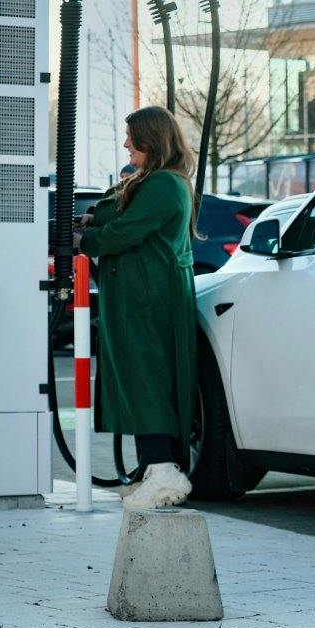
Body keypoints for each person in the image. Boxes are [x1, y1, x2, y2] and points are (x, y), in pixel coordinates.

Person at [74, 106, 200, 510]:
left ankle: (164, 473)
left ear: (152, 140)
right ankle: (152, 469)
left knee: (148, 383)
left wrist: (84, 242)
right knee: (137, 380)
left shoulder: (165, 184)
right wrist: (92, 220)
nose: (126, 144)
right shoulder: (154, 180)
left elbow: (125, 231)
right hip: (138, 298)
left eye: (132, 137)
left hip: (148, 301)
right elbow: (116, 212)